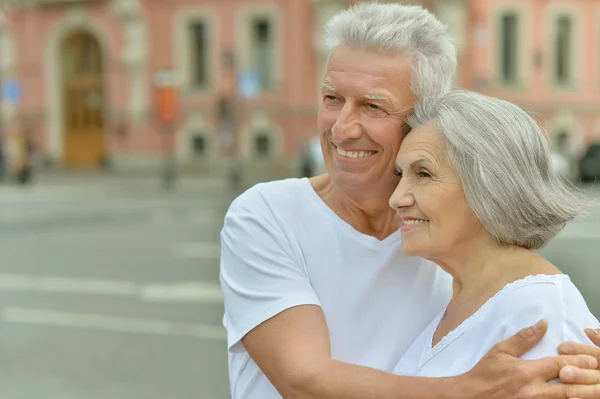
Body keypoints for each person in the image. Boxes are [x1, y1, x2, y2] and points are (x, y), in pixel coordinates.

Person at [219, 3, 600, 398]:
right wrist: (464, 391)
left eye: (372, 105)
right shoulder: (268, 215)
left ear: (424, 118)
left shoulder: (444, 241)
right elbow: (304, 381)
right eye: (332, 98)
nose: (342, 128)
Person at [389, 90, 600, 378]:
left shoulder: (539, 312)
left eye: (423, 174)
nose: (397, 198)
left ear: (489, 185)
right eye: (400, 175)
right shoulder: (459, 298)